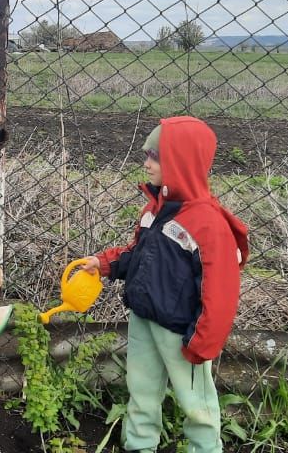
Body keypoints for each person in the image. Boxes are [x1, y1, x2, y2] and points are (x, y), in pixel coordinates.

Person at [79, 116, 249, 453]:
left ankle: (205, 448)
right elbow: (139, 254)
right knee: (141, 388)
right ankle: (140, 444)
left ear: (181, 162)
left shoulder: (207, 224)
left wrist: (203, 342)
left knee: (195, 402)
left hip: (181, 332)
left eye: (154, 156)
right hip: (144, 319)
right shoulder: (154, 210)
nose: (146, 163)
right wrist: (105, 264)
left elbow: (221, 292)